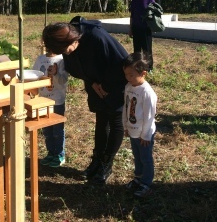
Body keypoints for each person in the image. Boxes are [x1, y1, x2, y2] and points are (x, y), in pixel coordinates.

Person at [42, 16, 128, 184]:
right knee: (101, 121)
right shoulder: (68, 43)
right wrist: (93, 83)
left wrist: (106, 86)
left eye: (66, 49)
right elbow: (77, 68)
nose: (66, 53)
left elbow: (122, 63)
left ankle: (106, 163)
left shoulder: (97, 37)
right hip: (95, 85)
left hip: (115, 84)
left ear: (73, 39)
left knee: (115, 121)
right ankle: (96, 160)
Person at [122, 53, 157, 198]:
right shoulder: (129, 86)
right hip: (133, 130)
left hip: (144, 134)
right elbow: (126, 106)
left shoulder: (147, 92)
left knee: (145, 157)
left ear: (143, 73)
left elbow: (149, 116)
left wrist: (146, 135)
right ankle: (138, 177)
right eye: (126, 74)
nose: (128, 78)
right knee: (137, 155)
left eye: (131, 75)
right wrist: (125, 126)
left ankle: (146, 183)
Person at [33, 48, 69, 167]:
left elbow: (64, 80)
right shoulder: (40, 59)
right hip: (43, 100)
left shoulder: (61, 60)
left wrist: (56, 74)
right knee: (47, 130)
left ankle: (59, 154)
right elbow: (34, 75)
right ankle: (50, 152)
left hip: (57, 101)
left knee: (57, 130)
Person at [129, 0, 156, 71]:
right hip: (136, 29)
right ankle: (138, 67)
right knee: (137, 50)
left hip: (146, 29)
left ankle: (149, 68)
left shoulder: (149, 0)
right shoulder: (134, 2)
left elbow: (155, 14)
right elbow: (132, 16)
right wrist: (130, 29)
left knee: (147, 50)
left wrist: (154, 25)